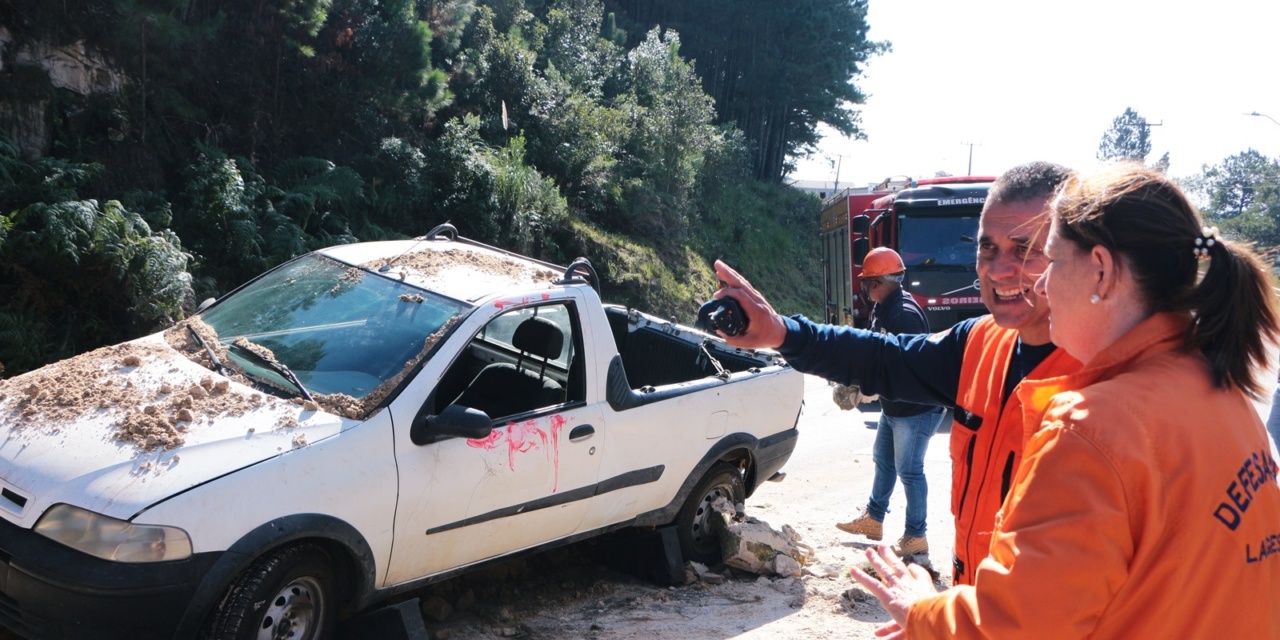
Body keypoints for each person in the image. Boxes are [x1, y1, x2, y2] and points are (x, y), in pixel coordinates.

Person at [852, 165, 1280, 639]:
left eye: (1051, 260)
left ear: (1101, 268)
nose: (1039, 285)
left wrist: (922, 612)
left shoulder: (1093, 428)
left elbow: (1017, 628)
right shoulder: (1219, 386)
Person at [714, 161, 1081, 583]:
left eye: (1025, 249)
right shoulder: (980, 343)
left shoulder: (1116, 384)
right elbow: (884, 358)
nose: (998, 270)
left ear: (1080, 256)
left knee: (909, 470)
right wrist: (781, 332)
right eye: (986, 248)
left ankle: (914, 537)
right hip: (977, 611)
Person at [835, 247, 948, 557]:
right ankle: (874, 518)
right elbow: (876, 355)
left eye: (868, 282)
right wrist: (857, 380)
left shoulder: (905, 316)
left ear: (877, 282)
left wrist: (868, 390)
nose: (866, 288)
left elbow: (908, 368)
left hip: (918, 406)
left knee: (909, 470)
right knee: (883, 460)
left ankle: (916, 537)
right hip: (896, 403)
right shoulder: (884, 307)